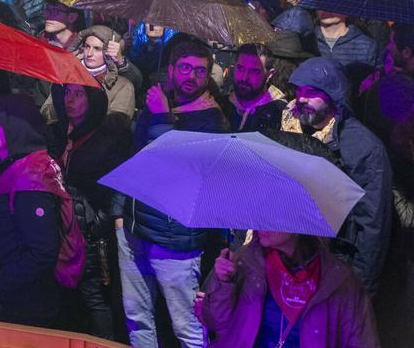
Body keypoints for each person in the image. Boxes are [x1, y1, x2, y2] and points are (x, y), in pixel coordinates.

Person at [112, 40, 228, 348]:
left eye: (200, 71)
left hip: (175, 240)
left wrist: (162, 117)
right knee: (137, 319)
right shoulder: (158, 102)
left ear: (208, 77)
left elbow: (181, 172)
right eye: (185, 68)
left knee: (187, 328)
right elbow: (135, 158)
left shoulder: (213, 120)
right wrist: (119, 214)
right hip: (134, 230)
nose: (191, 76)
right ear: (172, 69)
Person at [282, 58, 392, 296]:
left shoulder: (361, 147)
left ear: (333, 94)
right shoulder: (292, 129)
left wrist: (360, 288)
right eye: (300, 91)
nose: (302, 98)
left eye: (312, 92)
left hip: (333, 269)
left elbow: (372, 224)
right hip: (292, 265)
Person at [0, 95, 74, 327]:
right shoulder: (9, 168)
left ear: (16, 126)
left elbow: (42, 251)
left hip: (25, 307)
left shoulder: (32, 177)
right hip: (8, 301)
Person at [47, 81, 130, 339]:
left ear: (92, 100)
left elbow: (116, 190)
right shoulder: (55, 133)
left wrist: (96, 224)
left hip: (92, 236)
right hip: (60, 231)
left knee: (94, 298)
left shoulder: (108, 138)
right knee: (64, 299)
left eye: (78, 94)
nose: (70, 100)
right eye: (66, 93)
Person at [200, 232, 379, 347]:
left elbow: (362, 341)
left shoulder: (339, 280)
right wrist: (223, 283)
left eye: (272, 216)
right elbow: (216, 322)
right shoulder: (246, 261)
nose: (260, 224)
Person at [70, 25, 136, 130]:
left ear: (107, 52)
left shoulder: (122, 86)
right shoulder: (68, 75)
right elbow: (49, 110)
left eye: (97, 49)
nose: (89, 53)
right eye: (87, 46)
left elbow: (117, 125)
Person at [221, 44, 288, 132]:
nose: (244, 78)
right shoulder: (221, 106)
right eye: (240, 68)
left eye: (254, 72)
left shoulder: (282, 115)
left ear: (269, 75)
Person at [314, 11, 378, 87]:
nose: (326, 10)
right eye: (321, 4)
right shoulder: (306, 38)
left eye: (333, 5)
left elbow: (370, 83)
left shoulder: (366, 45)